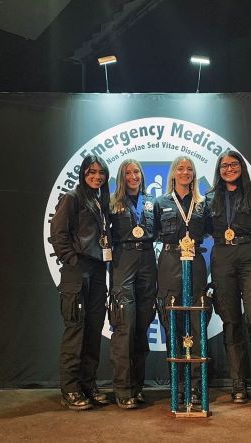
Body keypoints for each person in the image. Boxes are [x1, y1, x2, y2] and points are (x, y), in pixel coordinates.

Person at [206, 150, 251, 411]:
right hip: (222, 256)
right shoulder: (210, 198)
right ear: (218, 170)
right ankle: (238, 384)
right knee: (231, 322)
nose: (229, 169)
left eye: (234, 164)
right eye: (224, 166)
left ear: (241, 167)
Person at [50, 154, 112, 411]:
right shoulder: (72, 198)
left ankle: (88, 384)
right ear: (83, 173)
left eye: (101, 172)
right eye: (91, 172)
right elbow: (58, 233)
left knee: (93, 330)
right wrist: (72, 259)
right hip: (77, 272)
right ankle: (70, 389)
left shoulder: (100, 201)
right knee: (75, 331)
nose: (96, 176)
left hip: (98, 271)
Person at [154, 156, 212, 405]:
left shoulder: (202, 204)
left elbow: (209, 230)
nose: (185, 172)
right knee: (172, 323)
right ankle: (177, 386)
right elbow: (154, 231)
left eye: (189, 169)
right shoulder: (160, 202)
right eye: (181, 168)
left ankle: (198, 387)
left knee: (198, 325)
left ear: (194, 174)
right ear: (173, 174)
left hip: (196, 264)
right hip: (169, 263)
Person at [109, 159, 157, 409]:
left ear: (142, 175)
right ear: (121, 176)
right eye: (127, 173)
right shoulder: (112, 203)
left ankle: (137, 387)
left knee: (142, 327)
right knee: (124, 328)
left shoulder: (152, 202)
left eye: (136, 171)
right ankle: (123, 389)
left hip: (148, 261)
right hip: (123, 261)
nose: (133, 176)